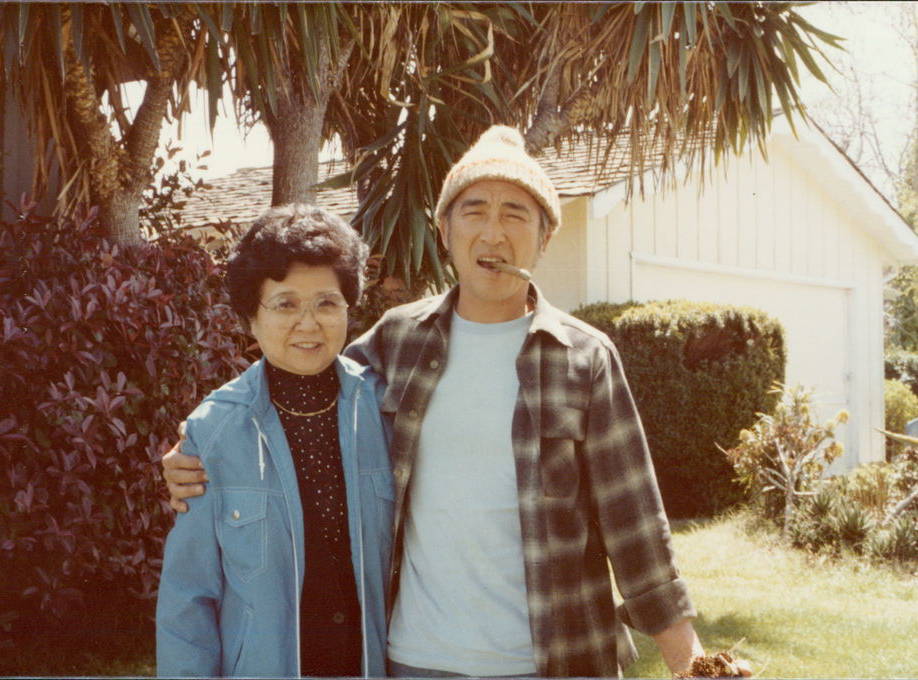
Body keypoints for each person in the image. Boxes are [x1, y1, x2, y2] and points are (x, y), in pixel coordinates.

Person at [164, 126, 705, 677]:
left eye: (516, 213)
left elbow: (635, 522)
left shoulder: (584, 358)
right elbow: (299, 375)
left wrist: (689, 661)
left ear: (545, 237)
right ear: (445, 230)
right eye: (474, 211)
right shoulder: (399, 341)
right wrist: (198, 440)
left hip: (556, 660)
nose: (493, 233)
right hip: (415, 661)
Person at [155, 204, 393, 678]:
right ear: (250, 317)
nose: (309, 323)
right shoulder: (214, 432)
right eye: (285, 304)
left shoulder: (386, 411)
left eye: (327, 302)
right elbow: (188, 600)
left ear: (349, 308)